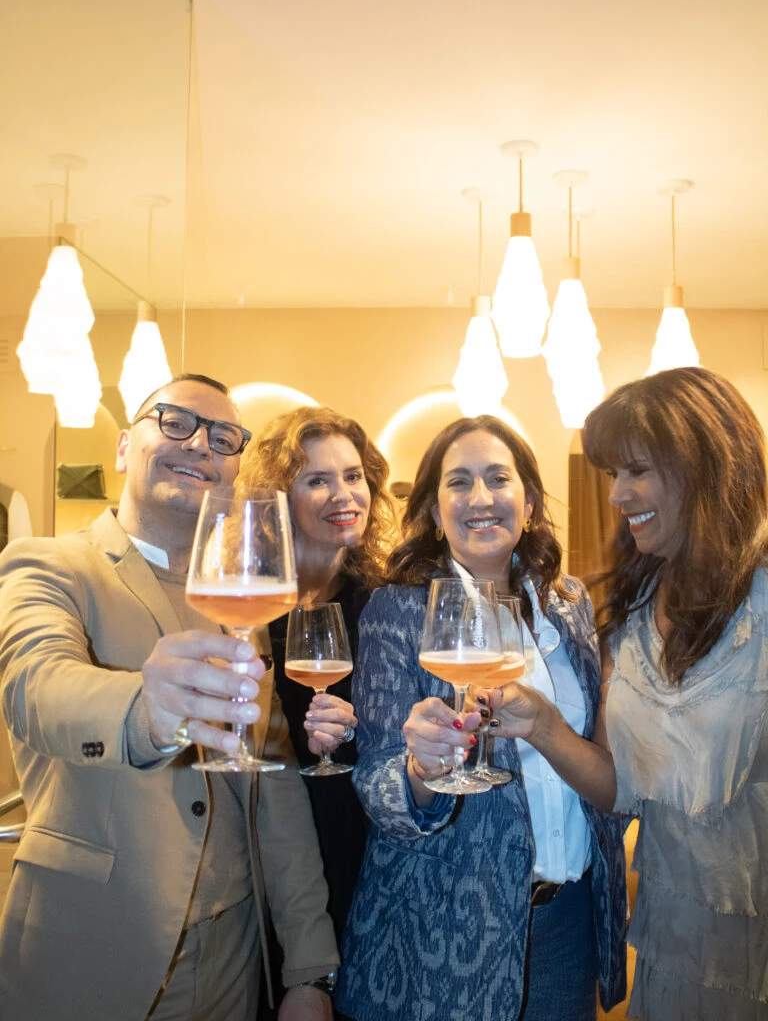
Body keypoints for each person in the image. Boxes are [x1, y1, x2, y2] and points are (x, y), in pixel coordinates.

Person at [0, 374, 339, 1021]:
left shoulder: (241, 600)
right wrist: (145, 713)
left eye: (223, 436)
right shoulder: (45, 565)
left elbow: (275, 790)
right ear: (125, 446)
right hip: (87, 956)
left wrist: (309, 968)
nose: (200, 445)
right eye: (175, 422)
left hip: (233, 966)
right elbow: (34, 688)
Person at [484, 367, 768, 1019]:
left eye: (635, 470)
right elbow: (621, 790)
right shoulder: (634, 610)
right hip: (670, 945)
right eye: (612, 474)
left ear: (705, 467)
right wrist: (547, 727)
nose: (617, 496)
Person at [335, 415, 627, 1021]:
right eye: (458, 482)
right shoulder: (398, 609)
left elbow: (603, 759)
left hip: (568, 923)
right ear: (435, 510)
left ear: (528, 500)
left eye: (498, 477)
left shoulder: (569, 603)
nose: (481, 498)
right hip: (439, 935)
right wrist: (420, 770)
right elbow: (377, 785)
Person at [237, 407, 397, 946]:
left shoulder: (385, 603)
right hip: (265, 843)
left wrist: (358, 732)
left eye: (354, 477)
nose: (344, 495)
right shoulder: (245, 606)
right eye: (318, 480)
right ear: (280, 497)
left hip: (361, 840)